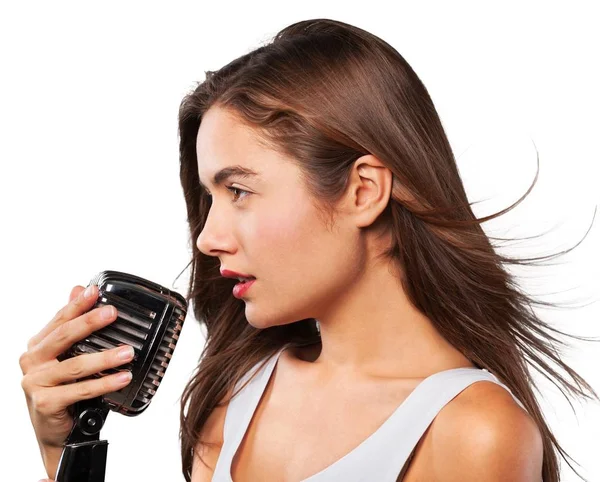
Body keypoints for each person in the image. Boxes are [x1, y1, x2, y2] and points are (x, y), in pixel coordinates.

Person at [20, 18, 598, 482]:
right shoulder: (234, 390)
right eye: (209, 197)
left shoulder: (473, 434)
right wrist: (64, 454)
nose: (207, 236)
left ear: (362, 190)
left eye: (239, 190)